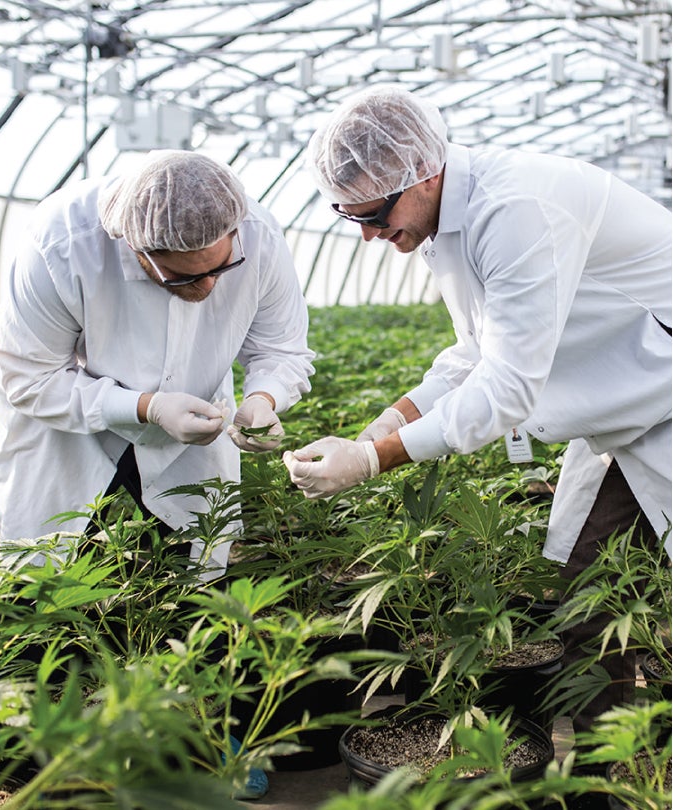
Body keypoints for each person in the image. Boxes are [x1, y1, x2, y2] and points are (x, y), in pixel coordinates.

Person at [283, 85, 671, 742]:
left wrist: (375, 459)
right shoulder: (443, 222)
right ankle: (604, 770)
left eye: (376, 214)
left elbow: (506, 387)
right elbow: (473, 351)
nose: (374, 236)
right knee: (590, 590)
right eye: (355, 221)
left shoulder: (517, 207)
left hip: (658, 397)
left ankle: (639, 752)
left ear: (422, 171)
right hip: (627, 409)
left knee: (606, 590)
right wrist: (388, 418)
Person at [0, 149, 314, 584]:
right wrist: (146, 407)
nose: (208, 287)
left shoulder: (259, 235)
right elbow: (33, 378)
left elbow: (281, 347)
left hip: (193, 393)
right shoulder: (62, 242)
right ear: (137, 250)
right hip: (65, 410)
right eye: (183, 277)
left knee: (191, 558)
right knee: (54, 569)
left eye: (222, 269)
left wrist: (265, 398)